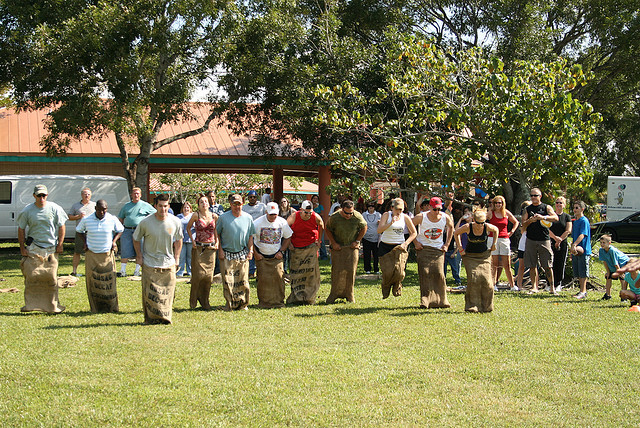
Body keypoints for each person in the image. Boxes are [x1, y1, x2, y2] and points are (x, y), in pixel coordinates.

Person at [17, 184, 69, 313]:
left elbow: (62, 226)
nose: (41, 198)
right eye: (39, 195)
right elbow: (21, 228)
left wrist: (60, 244)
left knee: (51, 278)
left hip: (51, 248)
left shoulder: (55, 208)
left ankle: (52, 306)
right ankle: (31, 305)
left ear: (47, 195)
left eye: (44, 195)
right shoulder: (27, 210)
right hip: (34, 247)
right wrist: (22, 247)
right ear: (34, 196)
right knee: (32, 277)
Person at [133, 193, 182, 324]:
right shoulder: (145, 222)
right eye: (160, 206)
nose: (163, 209)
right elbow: (136, 238)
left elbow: (179, 240)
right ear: (155, 206)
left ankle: (165, 317)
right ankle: (151, 318)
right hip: (150, 262)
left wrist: (177, 257)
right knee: (151, 293)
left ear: (169, 206)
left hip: (168, 262)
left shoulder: (175, 221)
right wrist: (139, 256)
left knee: (168, 292)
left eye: (165, 206)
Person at [76, 199, 124, 313]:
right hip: (92, 254)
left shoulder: (112, 219)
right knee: (93, 282)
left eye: (104, 210)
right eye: (99, 210)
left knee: (109, 281)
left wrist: (114, 241)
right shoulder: (87, 220)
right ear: (95, 209)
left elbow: (120, 230)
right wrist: (85, 242)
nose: (102, 212)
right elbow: (79, 231)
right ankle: (95, 307)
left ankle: (111, 306)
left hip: (107, 254)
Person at [412, 197, 454, 309]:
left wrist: (446, 244)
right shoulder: (421, 217)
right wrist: (415, 242)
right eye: (435, 209)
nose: (437, 212)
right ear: (429, 207)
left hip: (438, 249)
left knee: (439, 274)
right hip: (424, 248)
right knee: (425, 273)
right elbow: (409, 226)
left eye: (439, 209)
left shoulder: (445, 217)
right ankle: (425, 300)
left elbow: (451, 228)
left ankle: (442, 300)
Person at [455, 210, 499, 312]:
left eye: (482, 223)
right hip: (470, 256)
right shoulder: (467, 227)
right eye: (478, 223)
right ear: (474, 220)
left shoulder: (487, 227)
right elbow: (456, 233)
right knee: (473, 279)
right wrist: (460, 247)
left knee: (487, 281)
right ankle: (472, 306)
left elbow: (496, 230)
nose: (480, 225)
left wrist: (494, 244)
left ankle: (487, 306)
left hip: (484, 256)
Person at [216, 194, 255, 310]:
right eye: (234, 204)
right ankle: (230, 304)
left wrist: (251, 250)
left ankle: (243, 303)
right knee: (228, 282)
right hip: (227, 253)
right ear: (230, 204)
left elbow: (250, 236)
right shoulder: (223, 218)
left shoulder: (248, 218)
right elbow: (217, 234)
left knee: (243, 281)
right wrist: (220, 250)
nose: (236, 206)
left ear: (242, 204)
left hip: (242, 252)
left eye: (239, 204)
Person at [325, 200, 367, 303]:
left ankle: (349, 294)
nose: (349, 215)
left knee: (351, 271)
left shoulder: (357, 217)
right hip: (338, 248)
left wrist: (357, 241)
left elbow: (364, 227)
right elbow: (327, 229)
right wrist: (333, 243)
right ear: (342, 209)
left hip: (351, 248)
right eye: (346, 213)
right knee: (336, 271)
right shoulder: (334, 217)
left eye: (351, 213)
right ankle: (334, 294)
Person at [253, 202, 293, 308]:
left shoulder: (282, 222)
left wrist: (282, 251)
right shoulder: (257, 223)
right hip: (261, 256)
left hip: (276, 256)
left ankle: (279, 301)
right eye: (271, 214)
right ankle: (264, 302)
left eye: (275, 214)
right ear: (266, 212)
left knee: (279, 279)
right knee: (262, 280)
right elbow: (249, 238)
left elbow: (288, 236)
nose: (273, 216)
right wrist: (255, 253)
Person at [521, 188, 559, 294]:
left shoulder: (546, 207)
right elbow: (522, 224)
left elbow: (555, 218)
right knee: (532, 265)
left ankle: (552, 287)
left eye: (535, 195)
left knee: (547, 265)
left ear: (540, 196)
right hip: (531, 239)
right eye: (532, 195)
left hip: (544, 239)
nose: (533, 197)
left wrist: (543, 217)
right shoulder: (527, 209)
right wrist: (530, 220)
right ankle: (534, 287)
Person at [377, 198, 417, 298]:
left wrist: (406, 243)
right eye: (397, 209)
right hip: (385, 246)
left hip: (399, 246)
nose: (399, 212)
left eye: (401, 210)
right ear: (392, 208)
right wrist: (390, 223)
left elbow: (414, 233)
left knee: (400, 272)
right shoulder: (386, 215)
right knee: (387, 272)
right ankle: (386, 286)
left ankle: (397, 285)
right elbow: (379, 230)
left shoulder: (405, 217)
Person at [287, 200, 324, 305]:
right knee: (297, 272)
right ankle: (296, 296)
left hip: (310, 246)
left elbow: (321, 225)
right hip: (297, 247)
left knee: (311, 272)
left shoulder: (315, 216)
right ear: (301, 210)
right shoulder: (294, 217)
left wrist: (319, 240)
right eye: (306, 212)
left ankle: (309, 297)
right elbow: (285, 228)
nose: (308, 215)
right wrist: (289, 242)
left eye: (310, 213)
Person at [186, 195, 218, 310]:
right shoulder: (196, 215)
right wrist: (192, 240)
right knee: (198, 276)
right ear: (198, 205)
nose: (204, 203)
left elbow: (216, 230)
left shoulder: (214, 216)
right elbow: (188, 228)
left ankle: (205, 301)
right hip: (199, 248)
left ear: (209, 204)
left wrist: (217, 242)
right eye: (201, 202)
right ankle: (193, 302)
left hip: (210, 249)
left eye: (205, 201)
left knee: (208, 277)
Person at [118, 187, 156, 277]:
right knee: (125, 250)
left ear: (140, 195)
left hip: (140, 231)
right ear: (131, 194)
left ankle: (137, 271)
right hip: (127, 230)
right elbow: (121, 218)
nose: (136, 195)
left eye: (138, 193)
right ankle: (123, 271)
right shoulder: (126, 206)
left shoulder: (145, 205)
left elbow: (155, 214)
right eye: (134, 193)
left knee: (140, 251)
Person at [487, 195, 519, 290]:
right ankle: (493, 284)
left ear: (503, 204)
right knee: (494, 263)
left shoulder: (506, 213)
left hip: (504, 238)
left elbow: (516, 222)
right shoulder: (491, 213)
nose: (498, 205)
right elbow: (480, 220)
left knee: (507, 264)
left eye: (500, 203)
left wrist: (512, 231)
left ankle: (512, 285)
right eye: (496, 203)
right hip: (492, 239)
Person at [68, 187, 96, 277]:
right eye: (85, 194)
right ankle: (74, 271)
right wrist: (78, 216)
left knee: (92, 252)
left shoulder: (94, 205)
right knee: (77, 252)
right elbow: (69, 217)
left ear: (91, 195)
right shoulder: (76, 205)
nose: (87, 196)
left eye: (88, 194)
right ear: (81, 195)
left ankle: (91, 271)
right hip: (80, 232)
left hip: (91, 232)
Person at [549, 196, 572, 292]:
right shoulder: (551, 215)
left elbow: (568, 230)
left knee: (560, 263)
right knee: (550, 263)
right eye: (557, 202)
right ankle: (549, 283)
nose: (558, 204)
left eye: (560, 203)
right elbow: (547, 228)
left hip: (562, 243)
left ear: (564, 205)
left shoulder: (567, 217)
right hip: (550, 241)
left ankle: (558, 283)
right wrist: (555, 238)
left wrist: (560, 240)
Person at [597, 234, 628, 300]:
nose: (602, 244)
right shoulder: (601, 250)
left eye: (604, 243)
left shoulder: (612, 250)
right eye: (601, 243)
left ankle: (624, 296)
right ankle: (608, 295)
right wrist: (608, 271)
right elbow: (604, 261)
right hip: (615, 265)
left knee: (622, 278)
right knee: (608, 277)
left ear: (609, 243)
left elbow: (615, 263)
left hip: (622, 264)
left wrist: (620, 272)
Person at [243, 189, 266, 277]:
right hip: (249, 232)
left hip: (261, 232)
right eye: (251, 197)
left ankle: (261, 270)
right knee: (251, 250)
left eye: (254, 197)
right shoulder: (244, 208)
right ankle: (251, 271)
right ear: (248, 198)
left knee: (261, 250)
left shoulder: (262, 206)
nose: (252, 198)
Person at [571, 200, 591, 300]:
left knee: (583, 271)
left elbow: (582, 234)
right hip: (576, 250)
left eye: (577, 208)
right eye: (574, 208)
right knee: (578, 271)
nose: (574, 210)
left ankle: (583, 291)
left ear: (582, 209)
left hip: (584, 249)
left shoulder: (584, 220)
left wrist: (575, 244)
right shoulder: (576, 221)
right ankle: (581, 290)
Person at [515, 201, 532, 291]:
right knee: (521, 266)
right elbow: (522, 230)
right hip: (523, 242)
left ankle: (534, 285)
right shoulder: (524, 219)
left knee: (534, 266)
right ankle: (519, 285)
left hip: (533, 242)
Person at [362, 201, 382, 274]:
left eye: (372, 206)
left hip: (376, 238)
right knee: (367, 254)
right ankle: (367, 269)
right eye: (369, 206)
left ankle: (376, 269)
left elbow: (382, 224)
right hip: (366, 237)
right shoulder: (364, 215)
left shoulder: (378, 214)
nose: (371, 207)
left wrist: (380, 222)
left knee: (376, 255)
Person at [279, 197, 296, 272]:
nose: (283, 203)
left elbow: (298, 215)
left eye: (285, 201)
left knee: (291, 253)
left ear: (288, 202)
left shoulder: (291, 211)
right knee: (283, 251)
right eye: (282, 202)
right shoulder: (279, 212)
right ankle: (284, 270)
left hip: (290, 234)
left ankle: (292, 269)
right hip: (281, 234)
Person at [176, 202, 194, 277]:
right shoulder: (179, 217)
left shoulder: (193, 216)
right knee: (181, 256)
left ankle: (190, 272)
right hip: (181, 240)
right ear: (182, 209)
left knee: (190, 257)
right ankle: (180, 272)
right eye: (184, 207)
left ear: (190, 209)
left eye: (188, 207)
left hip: (191, 239)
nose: (186, 209)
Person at [311, 194, 328, 260]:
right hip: (312, 225)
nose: (315, 200)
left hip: (319, 225)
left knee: (321, 241)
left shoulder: (320, 206)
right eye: (314, 198)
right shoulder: (310, 206)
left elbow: (322, 214)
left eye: (316, 199)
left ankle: (324, 256)